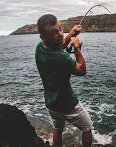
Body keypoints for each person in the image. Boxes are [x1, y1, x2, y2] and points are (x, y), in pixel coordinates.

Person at [35, 14, 93, 147]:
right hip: (67, 104)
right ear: (44, 37)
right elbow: (82, 70)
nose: (60, 33)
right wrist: (76, 46)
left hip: (51, 103)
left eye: (60, 28)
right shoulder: (61, 57)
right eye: (54, 32)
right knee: (87, 128)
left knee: (58, 129)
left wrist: (72, 32)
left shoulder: (39, 47)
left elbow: (58, 45)